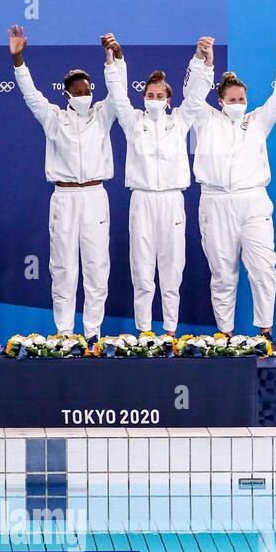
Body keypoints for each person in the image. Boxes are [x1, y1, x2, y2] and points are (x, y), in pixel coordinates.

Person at [185, 35, 276, 354]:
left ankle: (265, 331)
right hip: (215, 201)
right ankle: (225, 333)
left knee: (263, 268)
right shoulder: (206, 121)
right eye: (232, 100)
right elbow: (191, 97)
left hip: (253, 200)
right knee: (222, 271)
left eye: (242, 99)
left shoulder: (258, 121)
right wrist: (203, 62)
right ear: (220, 101)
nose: (238, 104)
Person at [9, 24, 116, 342]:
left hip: (95, 195)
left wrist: (111, 60)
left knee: (97, 266)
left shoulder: (103, 114)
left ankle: (93, 333)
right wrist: (18, 60)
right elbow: (30, 95)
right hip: (64, 197)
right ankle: (66, 333)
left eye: (87, 91)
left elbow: (118, 92)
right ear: (67, 94)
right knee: (63, 267)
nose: (84, 96)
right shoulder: (54, 117)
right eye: (78, 92)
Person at [102, 33, 198, 337]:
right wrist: (115, 60)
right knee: (142, 270)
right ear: (143, 98)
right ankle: (144, 331)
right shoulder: (134, 122)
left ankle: (170, 331)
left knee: (172, 270)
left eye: (160, 96)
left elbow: (195, 97)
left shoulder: (179, 122)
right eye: (150, 95)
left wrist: (202, 62)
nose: (154, 100)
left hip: (172, 201)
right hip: (142, 200)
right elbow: (117, 96)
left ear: (169, 101)